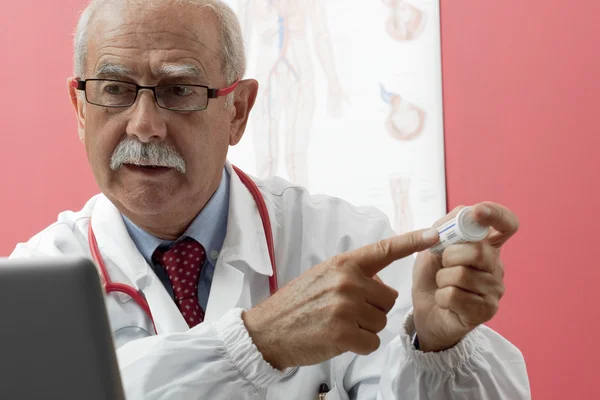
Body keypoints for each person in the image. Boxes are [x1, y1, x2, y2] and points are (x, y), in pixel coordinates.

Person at [10, 0, 530, 398]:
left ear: (237, 111)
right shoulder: (34, 281)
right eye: (116, 89)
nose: (145, 126)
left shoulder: (344, 241)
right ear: (80, 108)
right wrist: (257, 341)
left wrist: (438, 347)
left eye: (179, 90)